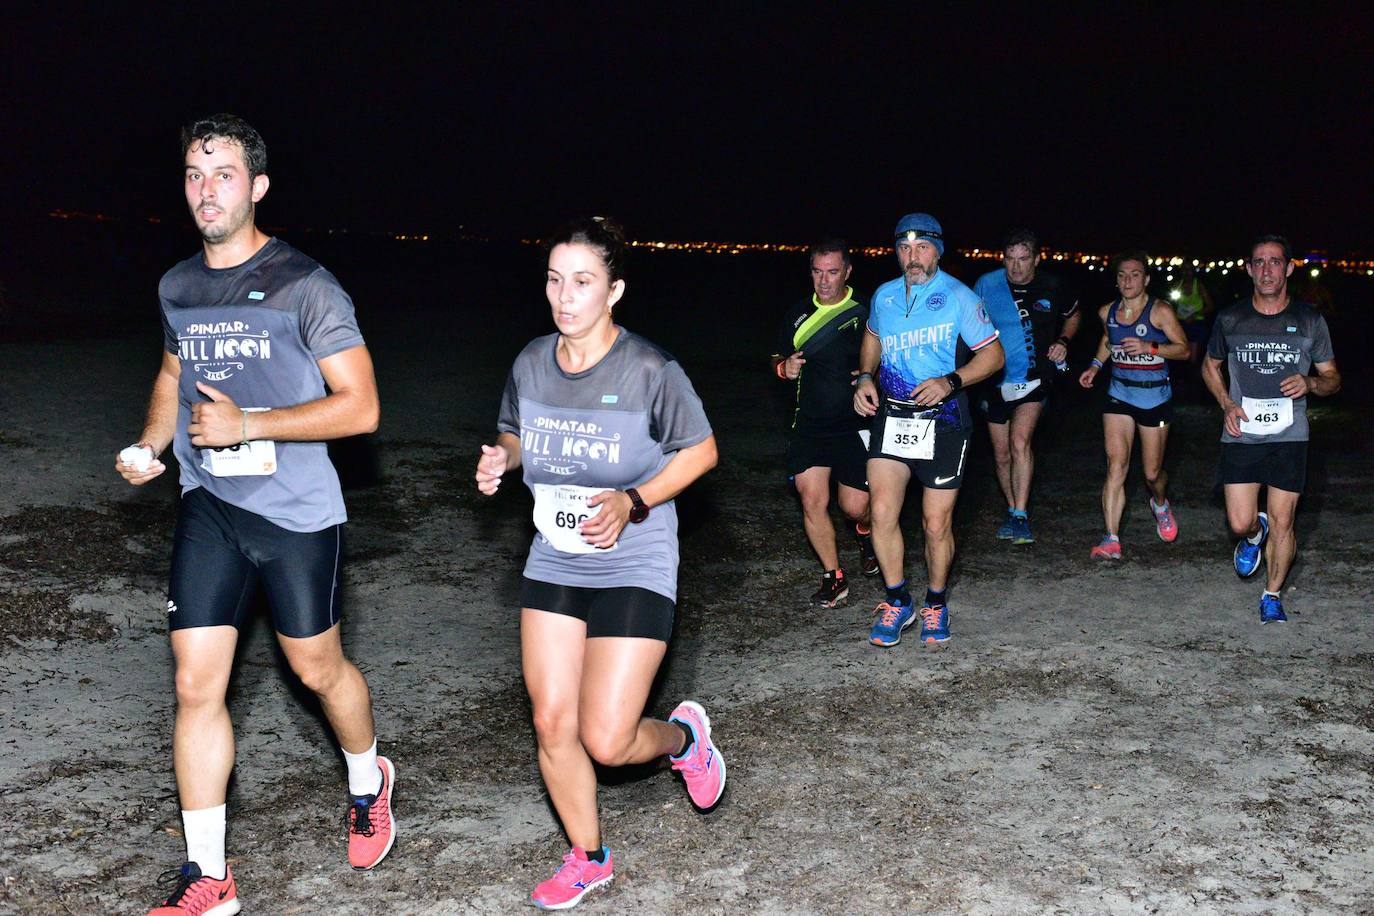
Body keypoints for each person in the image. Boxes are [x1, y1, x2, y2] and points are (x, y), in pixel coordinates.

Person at [116, 114, 393, 916]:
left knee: (317, 670)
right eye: (195, 175)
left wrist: (250, 424)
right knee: (196, 684)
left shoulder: (308, 285)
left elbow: (363, 407)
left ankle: (368, 775)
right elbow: (174, 373)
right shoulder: (177, 285)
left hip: (298, 514)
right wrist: (150, 445)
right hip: (211, 508)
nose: (207, 190)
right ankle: (210, 874)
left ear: (257, 186)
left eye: (224, 174)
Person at [475, 217, 723, 910]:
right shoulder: (530, 361)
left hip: (634, 558)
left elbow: (700, 454)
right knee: (553, 722)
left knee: (608, 740)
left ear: (613, 290)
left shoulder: (649, 370)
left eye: (581, 282)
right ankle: (588, 856)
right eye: (555, 280)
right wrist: (504, 457)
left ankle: (683, 740)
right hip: (555, 557)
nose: (564, 296)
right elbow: (517, 430)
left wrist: (634, 499)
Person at [853, 213, 1004, 647]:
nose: (912, 258)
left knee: (935, 524)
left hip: (945, 422)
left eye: (921, 248)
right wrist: (864, 376)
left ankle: (936, 603)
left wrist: (950, 381)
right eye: (904, 248)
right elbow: (873, 336)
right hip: (894, 416)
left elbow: (992, 357)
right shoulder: (883, 296)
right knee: (881, 512)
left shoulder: (959, 297)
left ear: (938, 249)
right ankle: (898, 600)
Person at [1202, 234, 1340, 623]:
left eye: (1275, 262)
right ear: (1248, 269)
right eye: (1259, 262)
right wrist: (1226, 402)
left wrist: (1311, 383)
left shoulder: (1310, 321)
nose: (1267, 270)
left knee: (1285, 520)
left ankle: (1272, 594)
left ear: (1289, 269)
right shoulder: (1230, 319)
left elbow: (1332, 378)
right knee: (1239, 521)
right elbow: (1210, 366)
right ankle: (1252, 534)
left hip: (1289, 436)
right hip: (1242, 432)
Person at [773, 238, 877, 607]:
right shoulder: (798, 314)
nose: (825, 281)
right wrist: (784, 367)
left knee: (854, 507)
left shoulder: (866, 311)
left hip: (854, 426)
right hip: (810, 424)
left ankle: (865, 532)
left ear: (847, 271)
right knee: (811, 498)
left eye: (833, 272)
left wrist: (871, 377)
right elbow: (776, 357)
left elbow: (889, 359)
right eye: (817, 272)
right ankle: (834, 577)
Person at [1078, 251, 1189, 558]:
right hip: (1120, 396)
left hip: (1155, 400)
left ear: (1147, 279)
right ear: (1116, 280)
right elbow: (1108, 341)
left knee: (1152, 474)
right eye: (1123, 275)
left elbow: (1183, 350)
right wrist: (1095, 366)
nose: (1128, 281)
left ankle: (1160, 503)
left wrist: (1149, 346)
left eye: (1135, 274)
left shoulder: (1160, 311)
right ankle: (1111, 539)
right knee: (1116, 466)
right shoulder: (1106, 311)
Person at [974, 229, 1080, 544]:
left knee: (1021, 442)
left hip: (1035, 380)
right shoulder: (987, 285)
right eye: (1010, 259)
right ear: (1002, 259)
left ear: (1036, 258)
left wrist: (1063, 340)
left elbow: (1073, 316)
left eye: (1023, 259)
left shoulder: (1053, 285)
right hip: (994, 381)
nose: (1016, 267)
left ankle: (1021, 515)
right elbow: (965, 325)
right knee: (1002, 453)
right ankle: (1011, 509)